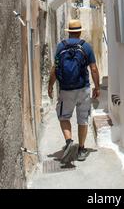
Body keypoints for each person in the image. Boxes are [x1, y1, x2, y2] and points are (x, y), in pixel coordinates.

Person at [48, 19, 100, 162]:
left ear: (69, 32)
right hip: (83, 88)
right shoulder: (86, 47)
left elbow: (55, 68)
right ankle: (82, 149)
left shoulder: (60, 47)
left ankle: (69, 140)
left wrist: (50, 85)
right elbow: (94, 69)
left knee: (64, 117)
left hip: (66, 89)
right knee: (83, 119)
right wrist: (97, 87)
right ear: (79, 31)